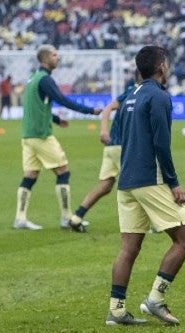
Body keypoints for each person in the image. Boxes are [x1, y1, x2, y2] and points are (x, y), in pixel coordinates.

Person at [107, 45, 185, 326]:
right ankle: (155, 300)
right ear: (161, 67)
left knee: (129, 248)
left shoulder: (130, 96)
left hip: (127, 181)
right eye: (166, 64)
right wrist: (173, 183)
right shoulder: (158, 96)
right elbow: (161, 143)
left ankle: (117, 310)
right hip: (150, 179)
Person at [14, 45, 102, 230]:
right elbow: (62, 100)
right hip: (41, 136)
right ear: (45, 58)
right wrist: (89, 111)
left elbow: (36, 105)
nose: (58, 58)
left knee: (30, 175)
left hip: (28, 136)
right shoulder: (45, 80)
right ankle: (66, 217)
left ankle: (20, 218)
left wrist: (55, 119)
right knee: (63, 171)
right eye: (55, 55)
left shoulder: (32, 78)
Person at [69, 71, 140, 233]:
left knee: (105, 185)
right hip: (123, 146)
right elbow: (109, 108)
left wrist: (104, 131)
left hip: (111, 147)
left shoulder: (130, 92)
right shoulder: (136, 93)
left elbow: (108, 108)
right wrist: (103, 131)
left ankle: (77, 217)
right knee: (139, 184)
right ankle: (150, 223)